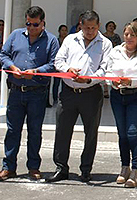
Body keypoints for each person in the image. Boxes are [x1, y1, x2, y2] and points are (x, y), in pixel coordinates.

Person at [0, 6, 60, 182]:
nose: (31, 28)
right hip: (16, 91)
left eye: (35, 24)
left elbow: (54, 64)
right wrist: (11, 67)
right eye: (28, 24)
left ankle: (33, 167)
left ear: (43, 23)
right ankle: (8, 167)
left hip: (37, 93)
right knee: (12, 130)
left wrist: (36, 71)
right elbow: (3, 54)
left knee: (35, 131)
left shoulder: (52, 40)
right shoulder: (16, 35)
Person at [47, 10, 113, 183]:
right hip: (68, 92)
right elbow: (58, 60)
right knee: (62, 131)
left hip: (91, 93)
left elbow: (105, 69)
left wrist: (89, 79)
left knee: (90, 132)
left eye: (93, 27)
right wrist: (67, 69)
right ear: (80, 25)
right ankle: (61, 168)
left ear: (98, 26)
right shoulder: (70, 39)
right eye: (87, 28)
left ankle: (86, 169)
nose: (90, 31)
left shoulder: (105, 43)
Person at [106, 21, 137, 188]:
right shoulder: (116, 51)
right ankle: (124, 166)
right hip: (117, 96)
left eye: (132, 35)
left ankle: (136, 169)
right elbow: (108, 71)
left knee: (132, 132)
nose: (129, 38)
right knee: (122, 134)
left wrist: (130, 81)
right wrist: (113, 82)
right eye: (126, 34)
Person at [50, 24, 69, 107]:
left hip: (67, 66)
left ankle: (64, 98)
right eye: (62, 30)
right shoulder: (56, 41)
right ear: (59, 31)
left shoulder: (69, 42)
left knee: (65, 83)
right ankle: (55, 99)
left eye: (65, 30)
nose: (64, 32)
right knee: (56, 83)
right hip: (57, 66)